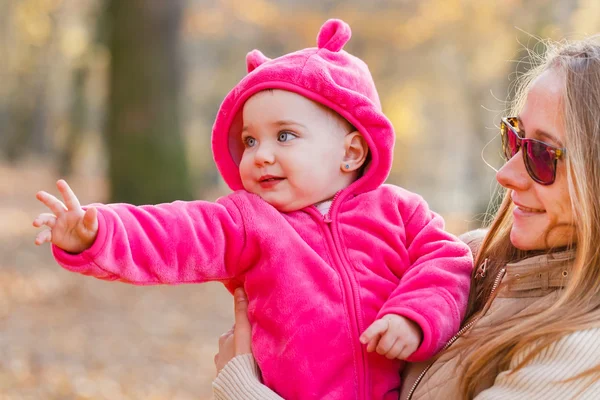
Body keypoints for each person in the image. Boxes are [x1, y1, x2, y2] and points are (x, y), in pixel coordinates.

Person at [32, 19, 473, 400]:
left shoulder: (400, 211)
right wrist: (99, 232)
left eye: (285, 136)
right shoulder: (248, 220)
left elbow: (447, 261)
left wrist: (414, 318)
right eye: (249, 140)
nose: (260, 154)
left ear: (351, 151)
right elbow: (176, 232)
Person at [211, 37, 600, 399]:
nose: (506, 174)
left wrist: (242, 387)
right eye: (514, 139)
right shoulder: (469, 261)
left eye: (542, 154)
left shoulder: (581, 353)